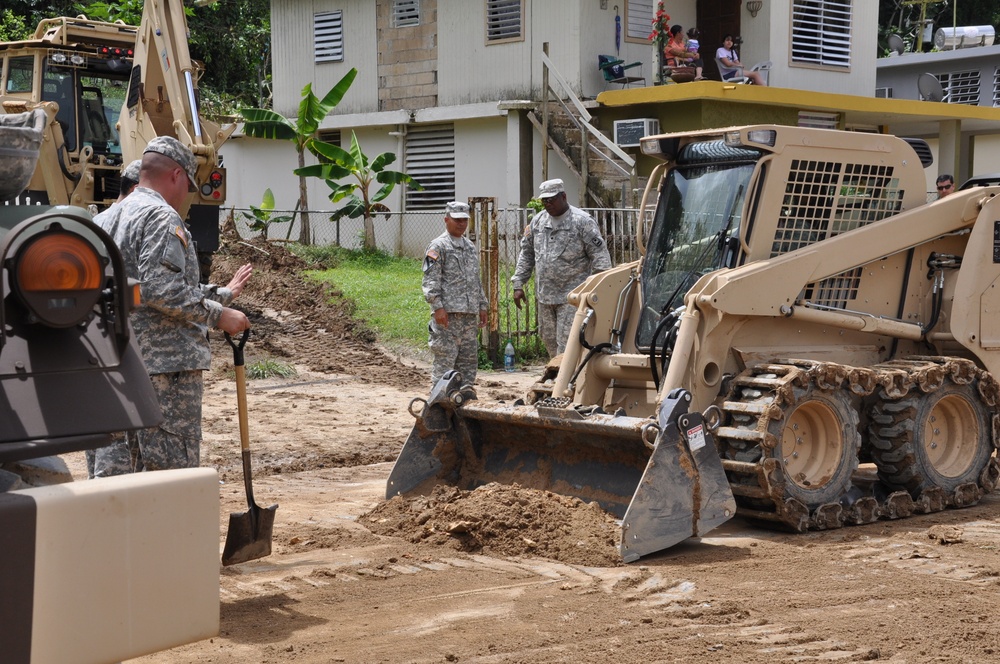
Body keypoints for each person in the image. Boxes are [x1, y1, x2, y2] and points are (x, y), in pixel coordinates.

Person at [93, 136, 252, 476]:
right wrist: (219, 316)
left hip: (113, 363)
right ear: (176, 175)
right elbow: (161, 289)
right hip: (163, 371)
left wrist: (221, 294)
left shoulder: (104, 220)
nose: (187, 197)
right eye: (189, 187)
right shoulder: (162, 217)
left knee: (116, 477)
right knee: (168, 478)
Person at [86, 158, 144, 478]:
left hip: (91, 338)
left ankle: (98, 489)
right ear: (136, 189)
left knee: (100, 425)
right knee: (122, 424)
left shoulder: (95, 224)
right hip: (123, 338)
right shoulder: (133, 225)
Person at [511, 179, 611, 358]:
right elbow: (527, 254)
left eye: (551, 199)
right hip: (545, 296)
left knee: (566, 343)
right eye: (544, 201)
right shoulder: (538, 222)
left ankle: (565, 380)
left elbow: (600, 258)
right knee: (548, 339)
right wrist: (518, 283)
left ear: (563, 196)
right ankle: (557, 374)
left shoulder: (582, 222)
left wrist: (598, 291)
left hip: (572, 296)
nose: (548, 204)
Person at [422, 201, 488, 390]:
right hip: (447, 318)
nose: (461, 224)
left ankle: (463, 409)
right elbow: (430, 280)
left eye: (464, 220)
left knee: (468, 367)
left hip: (468, 317)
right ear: (446, 219)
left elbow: (475, 279)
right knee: (444, 367)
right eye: (457, 220)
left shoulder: (469, 246)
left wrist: (482, 306)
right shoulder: (437, 247)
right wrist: (437, 307)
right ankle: (438, 409)